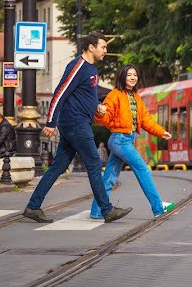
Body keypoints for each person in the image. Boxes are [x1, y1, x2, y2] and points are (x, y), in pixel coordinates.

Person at [23, 32, 132, 224]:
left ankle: (33, 206)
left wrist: (96, 104)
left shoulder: (91, 69)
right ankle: (107, 210)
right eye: (103, 47)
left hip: (77, 122)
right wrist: (50, 122)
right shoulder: (78, 66)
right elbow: (60, 93)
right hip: (75, 123)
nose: (106, 51)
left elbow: (83, 94)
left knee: (58, 166)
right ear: (91, 47)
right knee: (94, 163)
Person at [91, 65, 175, 219]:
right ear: (122, 77)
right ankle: (158, 207)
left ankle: (96, 211)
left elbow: (145, 120)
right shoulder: (114, 95)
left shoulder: (136, 97)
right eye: (129, 75)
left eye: (135, 75)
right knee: (143, 169)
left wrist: (161, 132)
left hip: (125, 139)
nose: (132, 78)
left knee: (109, 177)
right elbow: (105, 117)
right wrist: (100, 112)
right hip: (119, 139)